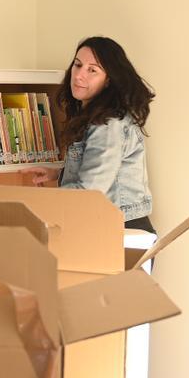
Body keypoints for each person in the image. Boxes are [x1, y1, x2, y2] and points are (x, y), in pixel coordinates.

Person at [27, 36, 155, 233]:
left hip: (121, 231)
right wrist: (57, 174)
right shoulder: (95, 117)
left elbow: (89, 192)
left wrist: (30, 202)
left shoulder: (108, 124)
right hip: (109, 226)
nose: (78, 75)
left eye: (92, 70)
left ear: (108, 80)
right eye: (77, 65)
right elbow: (102, 173)